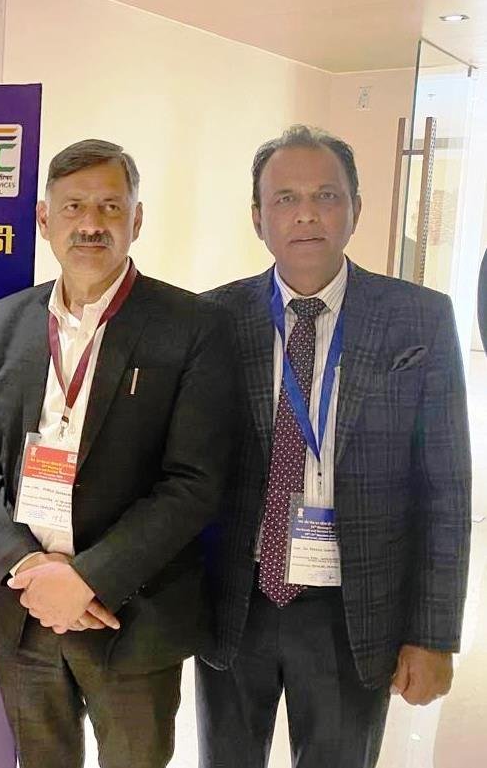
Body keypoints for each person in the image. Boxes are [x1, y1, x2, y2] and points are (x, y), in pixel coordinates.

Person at [0, 138, 235, 768]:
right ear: (44, 219)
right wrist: (27, 566)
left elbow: (194, 481)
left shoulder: (191, 326)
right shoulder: (6, 320)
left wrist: (85, 580)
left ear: (137, 219)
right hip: (24, 611)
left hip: (132, 617)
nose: (91, 224)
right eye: (74, 206)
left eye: (110, 207)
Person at [196, 125, 471, 768]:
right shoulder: (213, 318)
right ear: (258, 218)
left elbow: (447, 490)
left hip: (355, 608)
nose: (307, 214)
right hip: (237, 600)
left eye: (326, 195)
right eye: (285, 199)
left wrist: (433, 635)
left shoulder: (420, 318)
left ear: (356, 209)